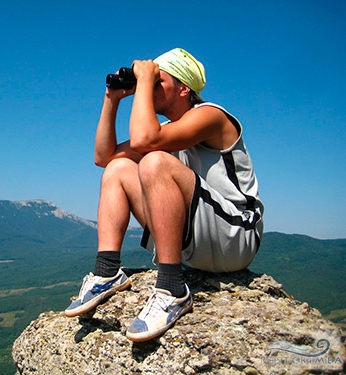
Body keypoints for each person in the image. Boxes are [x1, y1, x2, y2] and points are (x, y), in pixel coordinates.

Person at [64, 48, 264, 342]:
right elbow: (103, 157)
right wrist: (112, 98)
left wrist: (143, 78)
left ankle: (171, 289)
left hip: (235, 238)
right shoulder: (167, 131)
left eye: (159, 80)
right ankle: (107, 271)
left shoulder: (210, 115)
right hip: (198, 242)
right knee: (119, 168)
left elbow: (147, 140)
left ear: (184, 89)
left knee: (154, 161)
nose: (150, 85)